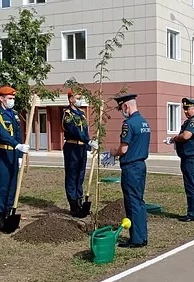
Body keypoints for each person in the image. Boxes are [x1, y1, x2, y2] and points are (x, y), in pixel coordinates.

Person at [104, 93, 151, 248]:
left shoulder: (128, 124)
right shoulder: (144, 122)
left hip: (131, 167)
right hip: (141, 165)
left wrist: (112, 152)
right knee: (139, 201)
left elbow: (124, 149)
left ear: (126, 106)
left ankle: (136, 239)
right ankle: (142, 236)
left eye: (121, 108)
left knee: (132, 202)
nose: (121, 111)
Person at [0, 86, 30, 232]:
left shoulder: (15, 114)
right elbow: (1, 134)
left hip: (13, 154)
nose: (12, 101)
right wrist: (17, 145)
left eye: (13, 98)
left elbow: (18, 134)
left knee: (12, 186)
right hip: (2, 154)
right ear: (1, 98)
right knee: (2, 186)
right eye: (10, 98)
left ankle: (8, 215)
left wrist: (19, 155)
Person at [168, 98, 194, 222]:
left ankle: (193, 214)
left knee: (191, 186)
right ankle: (192, 212)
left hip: (192, 158)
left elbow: (186, 136)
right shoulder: (189, 121)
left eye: (188, 108)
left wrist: (174, 138)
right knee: (189, 185)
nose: (185, 111)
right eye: (184, 109)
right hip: (187, 157)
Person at [62, 89, 98, 218]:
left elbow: (85, 131)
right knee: (72, 175)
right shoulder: (67, 114)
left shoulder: (82, 114)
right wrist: (88, 141)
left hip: (82, 148)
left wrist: (89, 143)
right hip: (72, 147)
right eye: (77, 98)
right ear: (71, 99)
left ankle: (79, 201)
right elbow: (74, 131)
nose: (79, 100)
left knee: (80, 175)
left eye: (80, 98)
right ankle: (73, 205)